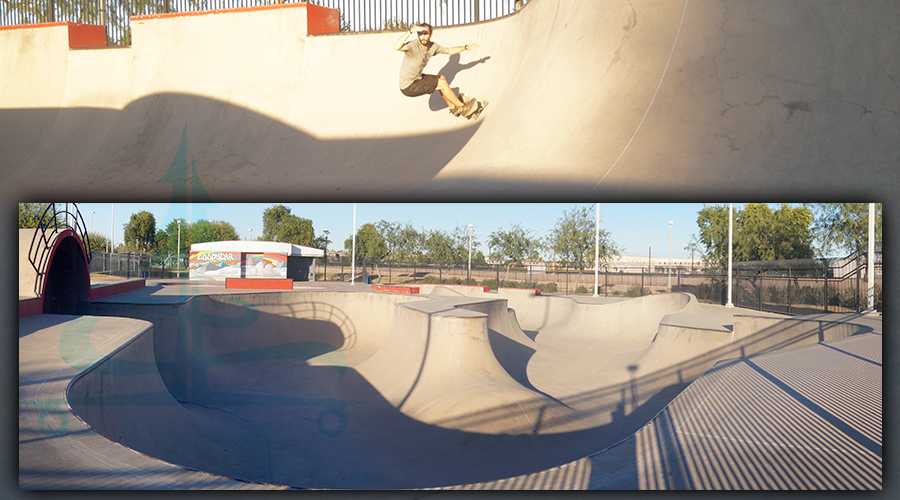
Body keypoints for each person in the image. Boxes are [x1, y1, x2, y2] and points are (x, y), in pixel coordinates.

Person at [394, 23, 480, 117]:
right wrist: (410, 31)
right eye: (420, 34)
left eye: (425, 34)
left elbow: (449, 51)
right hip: (408, 86)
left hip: (417, 79)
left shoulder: (433, 47)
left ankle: (453, 108)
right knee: (441, 84)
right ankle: (462, 107)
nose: (423, 37)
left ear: (431, 34)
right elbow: (396, 47)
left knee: (441, 78)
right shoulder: (414, 45)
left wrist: (465, 47)